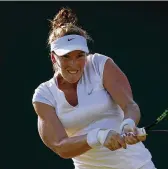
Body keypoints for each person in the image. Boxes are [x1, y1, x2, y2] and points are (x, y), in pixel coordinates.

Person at [32, 7, 156, 169]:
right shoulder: (44, 95)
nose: (74, 64)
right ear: (53, 58)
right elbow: (60, 146)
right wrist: (98, 136)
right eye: (66, 57)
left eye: (80, 56)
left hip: (137, 165)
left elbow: (129, 106)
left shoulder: (100, 65)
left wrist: (128, 124)